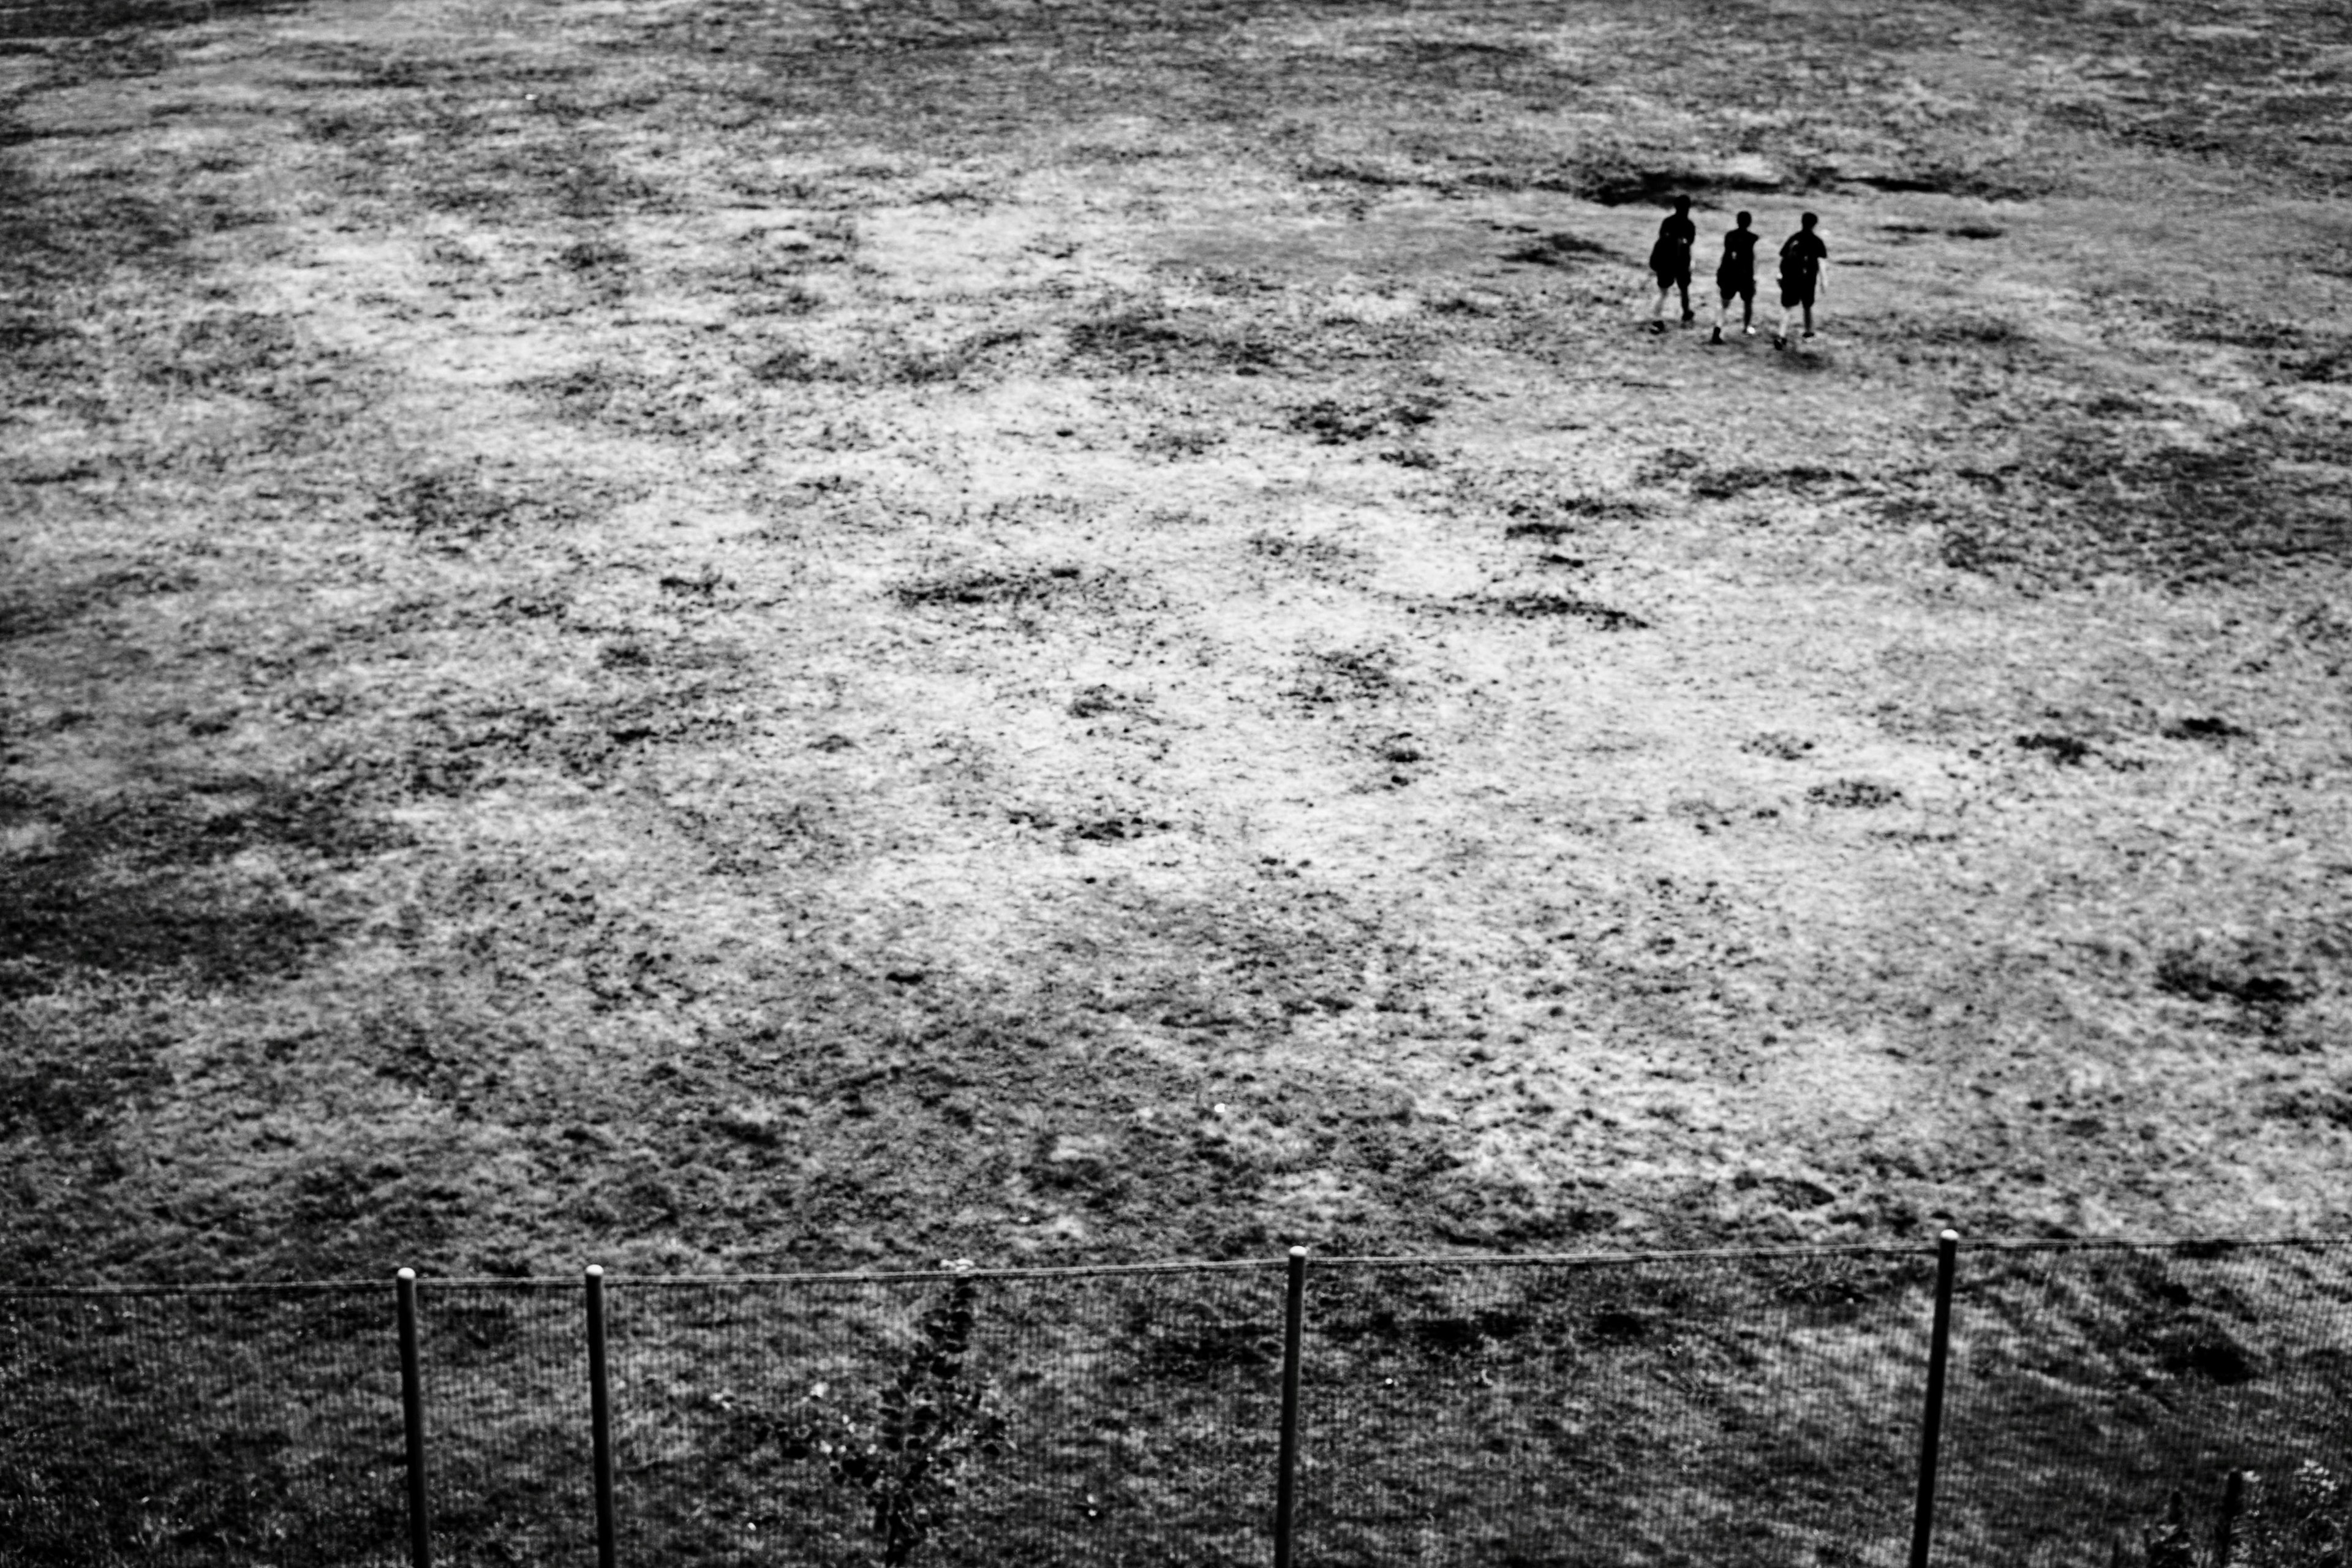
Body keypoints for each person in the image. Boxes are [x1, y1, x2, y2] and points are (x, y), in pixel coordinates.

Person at [1774, 212, 1828, 349]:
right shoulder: (1817, 241)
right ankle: (1808, 333)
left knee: (1787, 308)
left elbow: (1783, 257)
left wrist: (1780, 274)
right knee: (1807, 306)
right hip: (1808, 280)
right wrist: (1824, 281)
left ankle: (1781, 336)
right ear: (1815, 224)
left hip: (1791, 278)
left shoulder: (1794, 238)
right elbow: (1821, 263)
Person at [1646, 195, 1697, 333]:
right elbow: (1689, 243)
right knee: (1684, 290)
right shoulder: (1689, 225)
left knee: (1663, 293)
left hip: (1666, 262)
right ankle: (1686, 315)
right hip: (1681, 262)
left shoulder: (1668, 222)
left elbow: (1662, 239)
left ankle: (1657, 320)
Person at [1708, 211, 1760, 344]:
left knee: (1724, 304)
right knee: (1748, 302)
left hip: (1729, 274)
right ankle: (1746, 327)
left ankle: (1717, 329)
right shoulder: (1752, 238)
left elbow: (1726, 255)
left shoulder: (1729, 236)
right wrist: (1755, 276)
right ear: (1749, 222)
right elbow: (1754, 259)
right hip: (1745, 275)